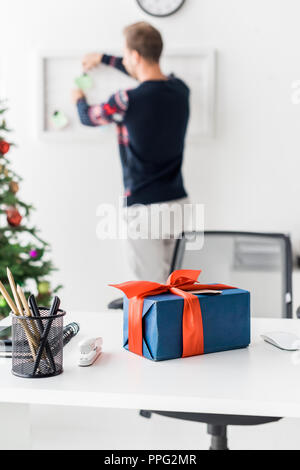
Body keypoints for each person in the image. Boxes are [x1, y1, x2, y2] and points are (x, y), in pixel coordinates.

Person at [72, 22, 190, 283]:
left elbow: (88, 117)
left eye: (125, 54)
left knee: (148, 289)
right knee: (176, 287)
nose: (124, 59)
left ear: (135, 56)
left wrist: (78, 98)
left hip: (144, 207)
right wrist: (103, 59)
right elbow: (148, 80)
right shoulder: (181, 90)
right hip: (178, 203)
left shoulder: (126, 100)